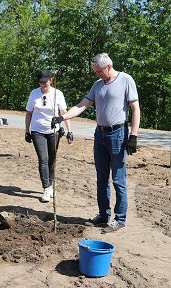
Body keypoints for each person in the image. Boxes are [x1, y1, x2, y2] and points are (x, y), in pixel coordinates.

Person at [51, 53, 140, 233]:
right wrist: (62, 117)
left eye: (99, 71)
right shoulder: (97, 85)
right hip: (100, 134)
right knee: (101, 178)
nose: (97, 74)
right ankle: (103, 215)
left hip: (118, 134)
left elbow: (135, 108)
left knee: (118, 179)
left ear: (108, 66)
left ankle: (120, 218)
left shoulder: (125, 79)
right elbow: (82, 105)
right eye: (95, 71)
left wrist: (133, 135)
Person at [25, 69, 73, 203]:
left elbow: (64, 112)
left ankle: (51, 184)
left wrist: (70, 131)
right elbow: (29, 113)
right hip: (37, 131)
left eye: (45, 82)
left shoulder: (58, 94)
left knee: (52, 159)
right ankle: (46, 188)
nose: (43, 85)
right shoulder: (34, 94)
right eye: (40, 82)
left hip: (54, 131)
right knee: (43, 159)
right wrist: (27, 131)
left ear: (50, 80)